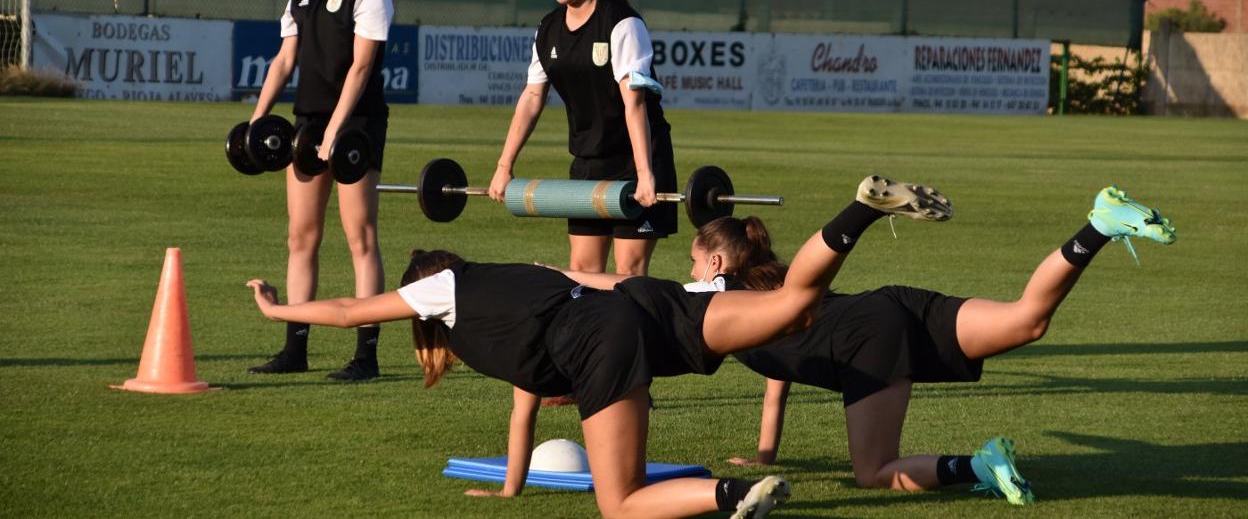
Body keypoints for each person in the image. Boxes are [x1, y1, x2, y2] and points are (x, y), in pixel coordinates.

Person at [246, 173, 954, 519]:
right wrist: (509, 485)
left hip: (603, 341)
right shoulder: (513, 284)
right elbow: (528, 403)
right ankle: (862, 207)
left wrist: (282, 307)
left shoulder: (445, 293)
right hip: (653, 302)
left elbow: (346, 310)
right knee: (798, 305)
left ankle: (733, 494)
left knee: (619, 504)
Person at [684, 182, 1176, 505]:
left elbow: (622, 286)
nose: (688, 272)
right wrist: (765, 455)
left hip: (865, 340)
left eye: (692, 260)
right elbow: (778, 383)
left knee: (874, 472)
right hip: (893, 305)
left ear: (715, 264)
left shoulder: (710, 300)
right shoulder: (771, 293)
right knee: (1027, 321)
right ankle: (1102, 224)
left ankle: (978, 465)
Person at [246, 0, 396, 381]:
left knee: (361, 238)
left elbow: (360, 68)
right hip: (307, 124)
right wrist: (257, 119)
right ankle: (295, 348)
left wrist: (336, 131)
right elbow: (285, 60)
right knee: (300, 237)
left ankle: (366, 356)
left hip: (355, 127)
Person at [488, 0, 676, 278]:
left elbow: (633, 105)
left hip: (635, 160)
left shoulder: (622, 24)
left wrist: (645, 175)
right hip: (588, 163)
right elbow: (531, 98)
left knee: (628, 275)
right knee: (583, 271)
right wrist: (503, 166)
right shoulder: (548, 29)